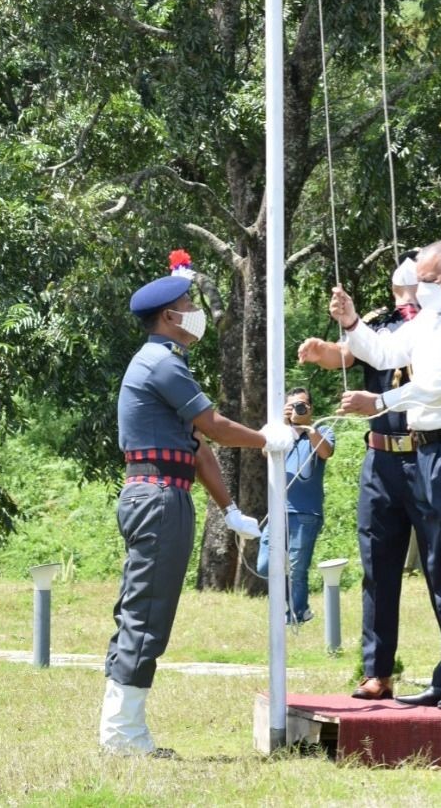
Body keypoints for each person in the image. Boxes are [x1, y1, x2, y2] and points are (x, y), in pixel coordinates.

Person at [100, 254, 292, 756]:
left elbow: (198, 448)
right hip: (159, 497)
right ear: (168, 316)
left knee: (144, 610)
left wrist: (228, 509)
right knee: (147, 614)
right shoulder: (161, 362)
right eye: (187, 304)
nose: (193, 311)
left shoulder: (165, 362)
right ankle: (123, 734)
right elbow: (213, 426)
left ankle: (121, 728)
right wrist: (265, 440)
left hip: (165, 493)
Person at [331, 239, 441, 711]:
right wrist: (350, 322)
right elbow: (386, 352)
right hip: (434, 450)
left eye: (427, 280)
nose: (418, 288)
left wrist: (382, 403)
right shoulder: (433, 317)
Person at [299, 258, 441, 698]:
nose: (407, 285)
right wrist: (320, 350)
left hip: (427, 454)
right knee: (378, 568)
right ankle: (377, 672)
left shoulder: (440, 323)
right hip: (381, 460)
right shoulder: (377, 323)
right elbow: (345, 354)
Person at [255, 385, 334, 623]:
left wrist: (307, 427)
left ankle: (297, 615)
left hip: (306, 512)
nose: (298, 409)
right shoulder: (281, 433)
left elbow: (326, 452)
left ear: (311, 408)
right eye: (294, 405)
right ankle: (290, 609)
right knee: (265, 565)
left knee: (298, 568)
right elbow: (264, 450)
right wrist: (282, 422)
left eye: (303, 405)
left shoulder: (321, 430)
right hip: (278, 510)